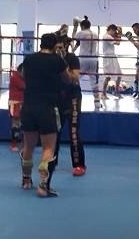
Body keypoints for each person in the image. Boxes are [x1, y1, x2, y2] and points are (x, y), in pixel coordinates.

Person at [19, 33, 67, 197]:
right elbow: (67, 79)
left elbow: (23, 75)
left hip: (29, 105)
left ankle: (26, 180)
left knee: (28, 146)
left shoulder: (30, 59)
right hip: (47, 107)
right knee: (48, 148)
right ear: (54, 45)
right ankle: (43, 185)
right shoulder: (57, 60)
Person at [56, 35, 86, 176]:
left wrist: (63, 65)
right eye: (56, 47)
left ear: (66, 46)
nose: (58, 50)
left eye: (60, 47)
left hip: (73, 97)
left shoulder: (72, 58)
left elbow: (74, 79)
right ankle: (52, 160)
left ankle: (79, 164)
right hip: (57, 97)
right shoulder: (51, 59)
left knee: (73, 132)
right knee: (54, 131)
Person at [72, 16, 102, 109]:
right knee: (94, 81)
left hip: (83, 58)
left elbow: (73, 38)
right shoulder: (95, 34)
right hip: (94, 59)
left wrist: (75, 27)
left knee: (76, 78)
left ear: (82, 26)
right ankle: (97, 102)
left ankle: (74, 99)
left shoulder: (81, 33)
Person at [101, 24, 122, 99]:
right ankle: (103, 94)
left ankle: (116, 92)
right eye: (114, 31)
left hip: (112, 56)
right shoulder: (107, 37)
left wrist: (119, 33)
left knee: (119, 74)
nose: (114, 33)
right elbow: (118, 43)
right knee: (108, 77)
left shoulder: (108, 36)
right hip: (108, 57)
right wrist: (120, 33)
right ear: (111, 30)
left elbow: (116, 39)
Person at [8, 63, 25, 151]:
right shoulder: (14, 77)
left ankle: (21, 143)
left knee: (21, 124)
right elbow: (24, 86)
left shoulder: (20, 77)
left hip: (21, 102)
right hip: (15, 103)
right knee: (15, 124)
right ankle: (13, 144)